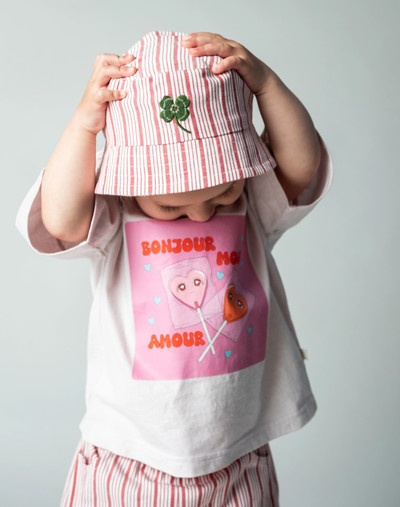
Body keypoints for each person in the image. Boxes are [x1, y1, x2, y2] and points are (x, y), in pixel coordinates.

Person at [17, 31, 332, 506]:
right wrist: (84, 126)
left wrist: (266, 85)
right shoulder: (115, 213)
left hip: (239, 459)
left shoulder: (251, 204)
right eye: (170, 206)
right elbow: (60, 219)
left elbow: (302, 164)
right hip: (127, 461)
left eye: (221, 193)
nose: (203, 214)